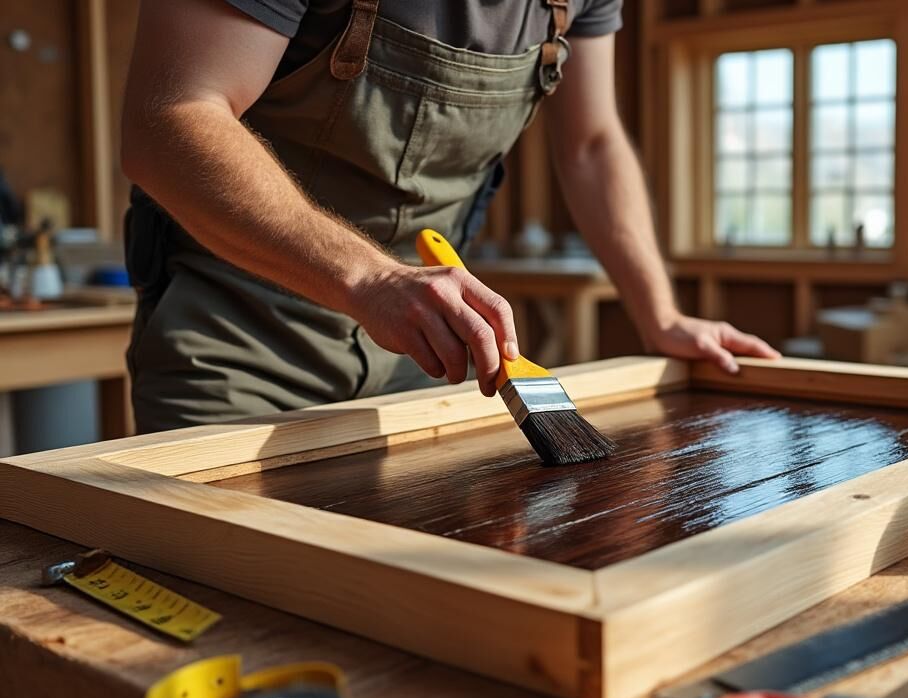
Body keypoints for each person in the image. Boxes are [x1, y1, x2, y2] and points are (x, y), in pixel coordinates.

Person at [120, 0, 779, 432]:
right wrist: (372, 282)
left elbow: (592, 144)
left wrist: (659, 316)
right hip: (235, 346)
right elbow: (168, 118)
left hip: (419, 359)